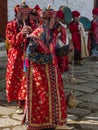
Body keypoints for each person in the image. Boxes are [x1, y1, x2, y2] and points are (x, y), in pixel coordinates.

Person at [22, 8, 68, 130]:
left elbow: (55, 49)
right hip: (40, 75)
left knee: (54, 97)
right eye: (52, 19)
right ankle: (41, 123)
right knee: (42, 99)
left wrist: (63, 50)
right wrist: (47, 58)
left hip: (52, 72)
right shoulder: (37, 34)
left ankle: (53, 121)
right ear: (46, 20)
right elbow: (30, 54)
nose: (54, 21)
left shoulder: (50, 34)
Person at [6, 0, 34, 114]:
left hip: (29, 55)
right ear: (18, 13)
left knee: (28, 79)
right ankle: (20, 104)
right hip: (16, 56)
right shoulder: (10, 25)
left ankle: (30, 103)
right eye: (23, 13)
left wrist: (33, 34)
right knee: (17, 80)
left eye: (27, 13)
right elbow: (11, 41)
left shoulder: (32, 24)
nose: (25, 15)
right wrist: (21, 34)